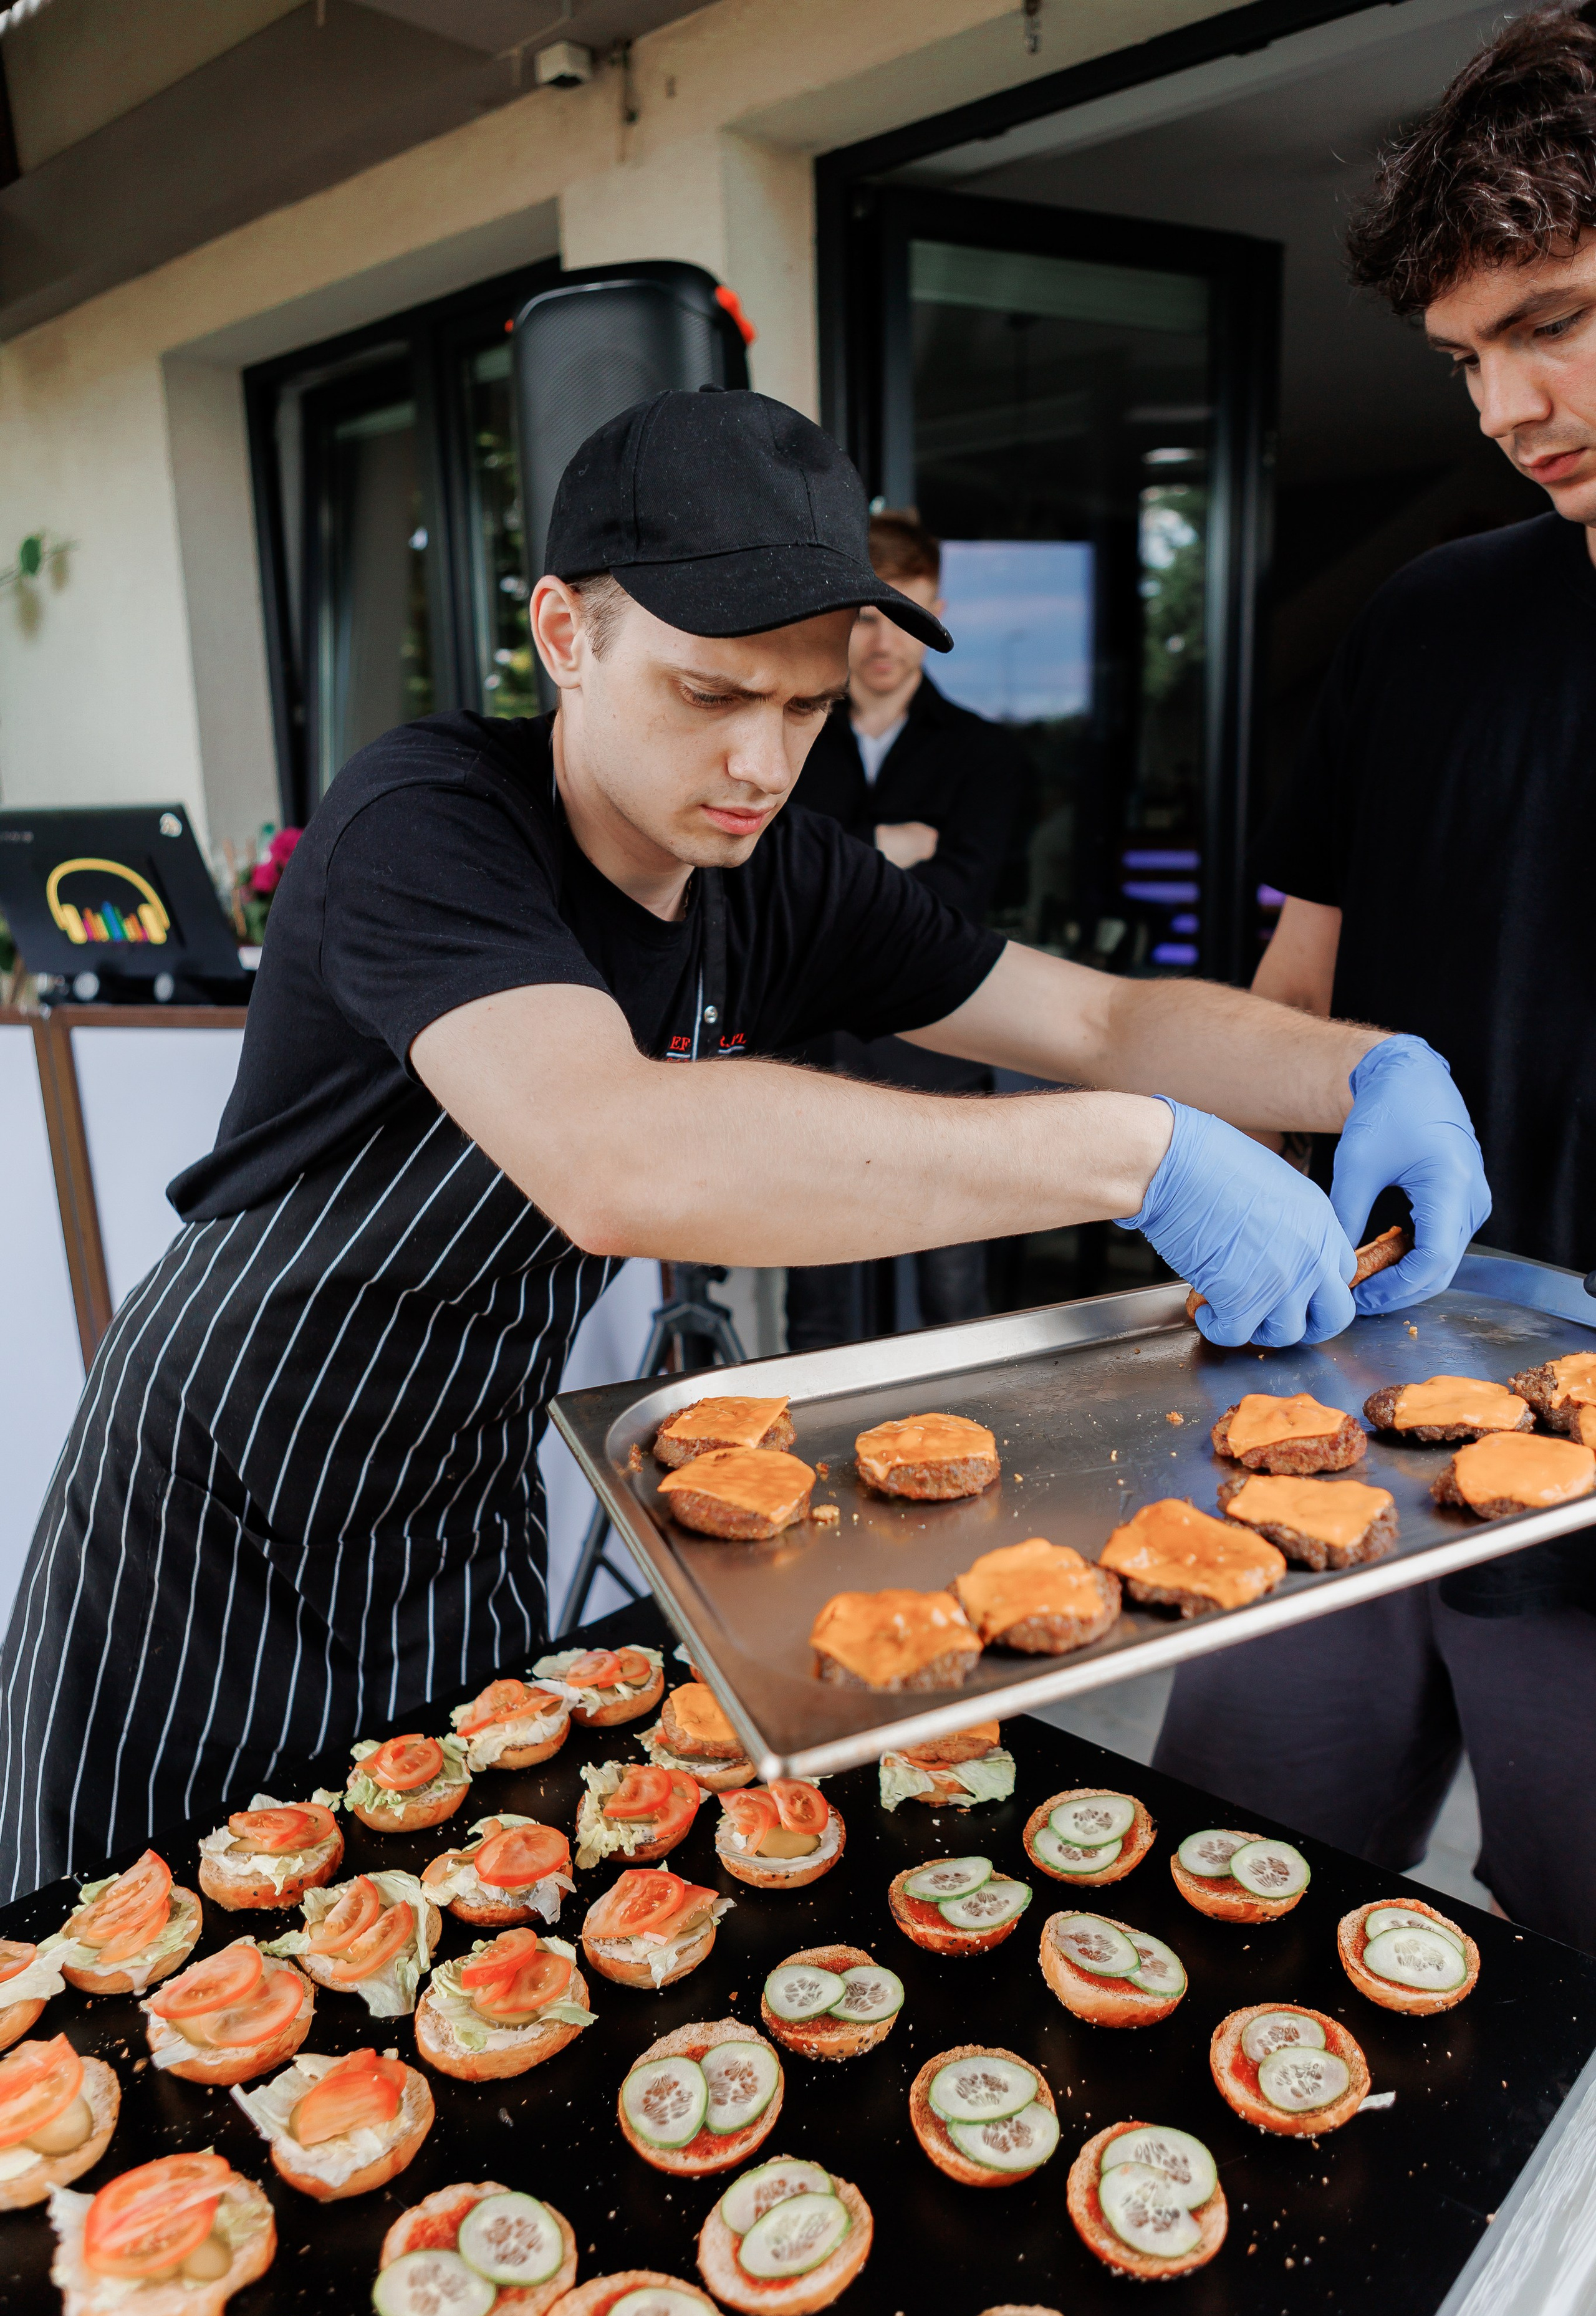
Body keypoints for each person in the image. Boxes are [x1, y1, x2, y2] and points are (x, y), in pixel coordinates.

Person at [0, 387, 1486, 1902]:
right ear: (565, 635)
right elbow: (610, 1156)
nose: (761, 768)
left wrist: (1368, 1064)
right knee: (132, 1961)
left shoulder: (779, 878)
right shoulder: (429, 818)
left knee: (446, 1924)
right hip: (215, 1509)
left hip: (456, 1496)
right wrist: (1142, 1159)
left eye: (804, 709)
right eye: (710, 697)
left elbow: (1098, 1023)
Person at [1154, 0, 1596, 1952]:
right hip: (1350, 1385)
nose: (1509, 408)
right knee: (1210, 1892)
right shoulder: (1431, 620)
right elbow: (1303, 964)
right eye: (1469, 357)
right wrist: (1229, 1194)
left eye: (1559, 319)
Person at [784, 508, 1036, 1347]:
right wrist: (887, 850)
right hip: (812, 1056)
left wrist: (836, 865)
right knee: (817, 1313)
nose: (884, 638)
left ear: (935, 614)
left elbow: (961, 898)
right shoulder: (787, 741)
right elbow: (767, 883)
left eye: (907, 611)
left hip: (939, 1052)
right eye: (863, 614)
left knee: (953, 1302)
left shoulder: (986, 754)